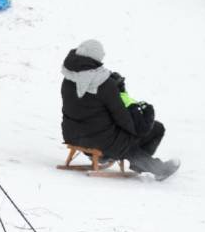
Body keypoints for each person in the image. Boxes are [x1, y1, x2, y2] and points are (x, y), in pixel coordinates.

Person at [60, 40, 178, 180]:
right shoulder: (104, 84)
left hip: (71, 134)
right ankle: (156, 168)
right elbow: (124, 119)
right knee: (151, 131)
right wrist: (142, 122)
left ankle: (106, 157)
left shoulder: (67, 79)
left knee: (123, 138)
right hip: (101, 140)